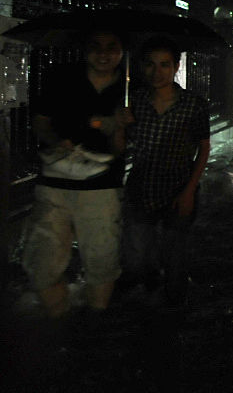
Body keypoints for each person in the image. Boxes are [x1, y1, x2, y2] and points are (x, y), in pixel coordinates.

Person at [21, 30, 128, 317]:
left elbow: (123, 149)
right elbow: (40, 121)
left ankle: (94, 321)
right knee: (41, 262)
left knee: (102, 261)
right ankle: (58, 319)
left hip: (102, 189)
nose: (103, 54)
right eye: (96, 46)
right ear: (84, 49)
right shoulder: (61, 78)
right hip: (54, 184)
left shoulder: (130, 88)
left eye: (112, 47)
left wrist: (117, 126)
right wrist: (56, 140)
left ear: (121, 51)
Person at [121, 36, 209, 307]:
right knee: (135, 261)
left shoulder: (194, 105)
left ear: (176, 67)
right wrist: (118, 124)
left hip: (178, 188)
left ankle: (171, 320)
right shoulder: (133, 102)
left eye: (164, 65)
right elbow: (120, 147)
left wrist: (189, 192)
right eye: (149, 65)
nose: (156, 72)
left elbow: (203, 150)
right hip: (141, 188)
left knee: (175, 261)